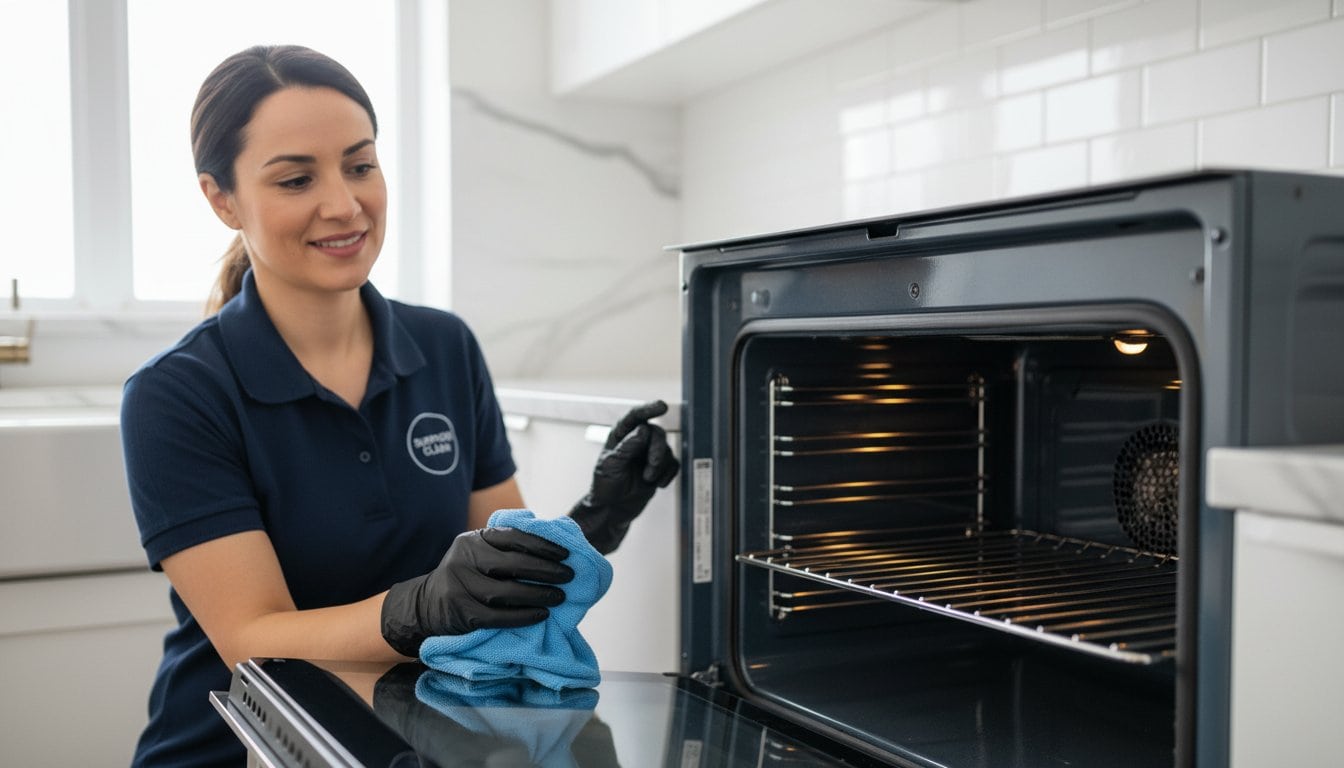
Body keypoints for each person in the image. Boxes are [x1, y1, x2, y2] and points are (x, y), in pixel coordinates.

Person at [119, 44, 679, 767]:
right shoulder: (177, 394)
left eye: (360, 165)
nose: (344, 205)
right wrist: (414, 608)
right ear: (222, 199)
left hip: (418, 746)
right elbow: (250, 636)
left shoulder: (443, 346)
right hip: (236, 750)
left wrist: (593, 525)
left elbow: (496, 583)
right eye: (296, 178)